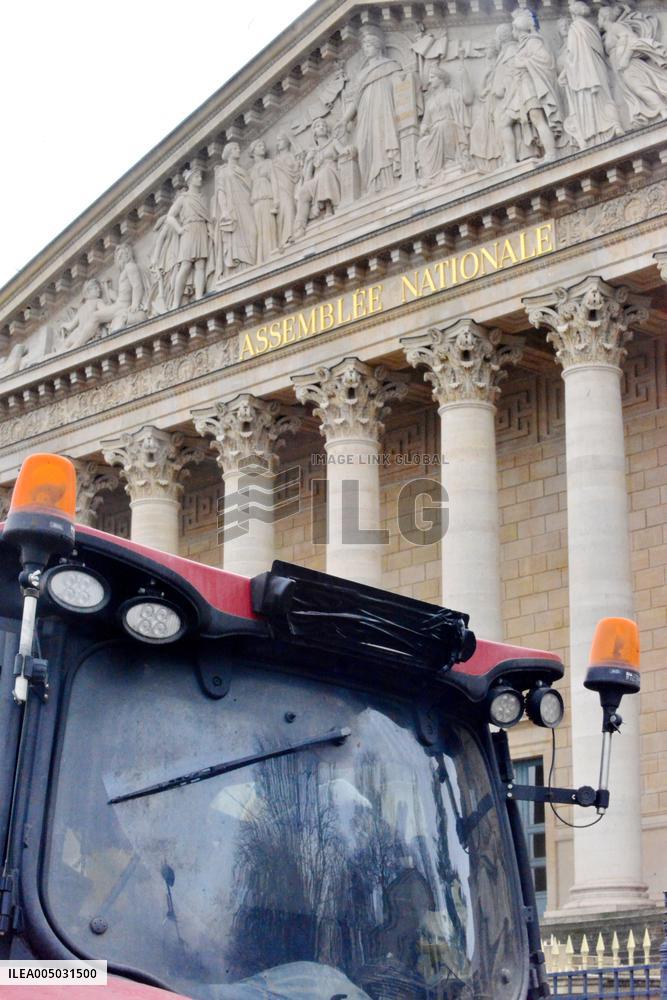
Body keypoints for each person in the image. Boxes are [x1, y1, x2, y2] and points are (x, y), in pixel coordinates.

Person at [340, 26, 403, 194]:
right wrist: (344, 119)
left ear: (377, 46)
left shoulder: (391, 66)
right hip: (365, 115)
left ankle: (389, 182)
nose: (365, 49)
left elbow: (402, 87)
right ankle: (372, 186)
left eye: (368, 45)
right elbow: (355, 101)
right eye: (364, 46)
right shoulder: (361, 75)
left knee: (383, 139)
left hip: (384, 108)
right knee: (365, 145)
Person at [499, 10, 563, 163]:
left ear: (519, 29)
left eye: (514, 28)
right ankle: (510, 161)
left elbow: (546, 60)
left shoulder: (533, 41)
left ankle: (551, 155)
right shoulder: (524, 44)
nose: (512, 32)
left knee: (538, 119)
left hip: (530, 89)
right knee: (504, 122)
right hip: (520, 90)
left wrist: (524, 62)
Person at [558, 1, 623, 149]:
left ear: (573, 13)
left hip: (584, 75)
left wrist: (564, 73)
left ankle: (593, 133)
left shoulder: (576, 28)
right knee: (605, 96)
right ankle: (615, 124)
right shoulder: (591, 27)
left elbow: (573, 55)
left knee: (591, 101)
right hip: (598, 69)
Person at [598, 6, 667, 127]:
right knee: (636, 89)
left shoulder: (616, 27)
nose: (597, 20)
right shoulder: (607, 34)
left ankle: (663, 110)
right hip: (619, 67)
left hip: (628, 64)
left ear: (603, 17)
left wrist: (625, 58)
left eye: (598, 17)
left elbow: (632, 39)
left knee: (640, 88)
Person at [416, 64, 472, 184]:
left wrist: (464, 75)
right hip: (435, 130)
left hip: (450, 125)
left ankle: (449, 160)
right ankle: (430, 175)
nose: (430, 81)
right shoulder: (430, 101)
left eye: (432, 77)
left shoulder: (451, 94)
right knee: (421, 143)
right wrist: (423, 127)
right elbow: (426, 120)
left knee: (444, 126)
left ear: (440, 79)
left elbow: (467, 99)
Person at [294, 119, 348, 239]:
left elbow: (342, 151)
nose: (322, 127)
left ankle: (329, 208)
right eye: (318, 126)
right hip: (317, 178)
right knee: (303, 191)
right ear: (314, 132)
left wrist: (347, 150)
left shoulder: (333, 142)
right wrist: (308, 161)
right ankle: (300, 227)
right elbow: (307, 177)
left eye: (324, 125)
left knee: (325, 173)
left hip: (332, 172)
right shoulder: (313, 151)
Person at [167, 167, 213, 307]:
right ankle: (176, 302)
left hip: (201, 229)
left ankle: (199, 296)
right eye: (197, 177)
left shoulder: (202, 198)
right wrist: (179, 229)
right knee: (186, 265)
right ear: (190, 180)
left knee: (200, 264)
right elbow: (170, 216)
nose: (200, 179)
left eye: (200, 176)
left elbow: (207, 218)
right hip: (189, 230)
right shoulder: (184, 198)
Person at [211, 143, 256, 280]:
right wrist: (224, 211)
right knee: (237, 238)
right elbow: (220, 192)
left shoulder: (242, 170)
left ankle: (252, 266)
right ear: (229, 152)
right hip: (233, 208)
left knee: (253, 232)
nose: (238, 150)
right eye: (235, 148)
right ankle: (240, 270)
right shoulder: (223, 171)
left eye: (238, 147)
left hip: (247, 206)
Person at [248, 140, 280, 264]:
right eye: (260, 146)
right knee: (258, 231)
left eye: (263, 146)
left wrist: (276, 199)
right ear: (253, 151)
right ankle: (261, 260)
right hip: (256, 203)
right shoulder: (250, 170)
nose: (263, 148)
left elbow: (274, 181)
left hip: (267, 198)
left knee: (269, 227)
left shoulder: (268, 163)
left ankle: (271, 254)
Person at [273, 132, 301, 247]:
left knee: (291, 207)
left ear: (287, 142)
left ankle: (293, 234)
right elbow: (274, 180)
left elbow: (298, 170)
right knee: (286, 210)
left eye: (280, 140)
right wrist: (275, 198)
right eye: (277, 141)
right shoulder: (275, 160)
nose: (278, 143)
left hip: (291, 185)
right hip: (281, 189)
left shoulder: (292, 156)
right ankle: (287, 237)